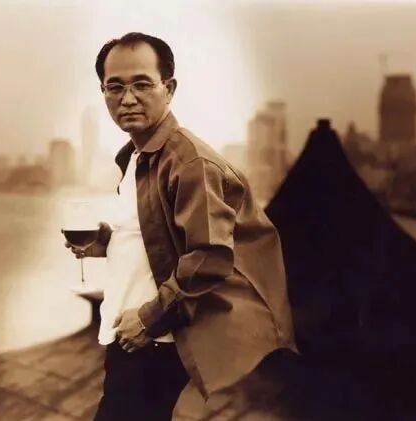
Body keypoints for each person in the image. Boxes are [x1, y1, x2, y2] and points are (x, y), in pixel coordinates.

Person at [66, 32, 296, 420]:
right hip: (129, 330)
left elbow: (209, 257)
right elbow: (155, 234)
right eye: (115, 87)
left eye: (142, 84)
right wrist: (105, 242)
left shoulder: (189, 163)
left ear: (168, 89)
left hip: (156, 338)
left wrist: (148, 320)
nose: (127, 98)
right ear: (103, 92)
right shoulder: (138, 156)